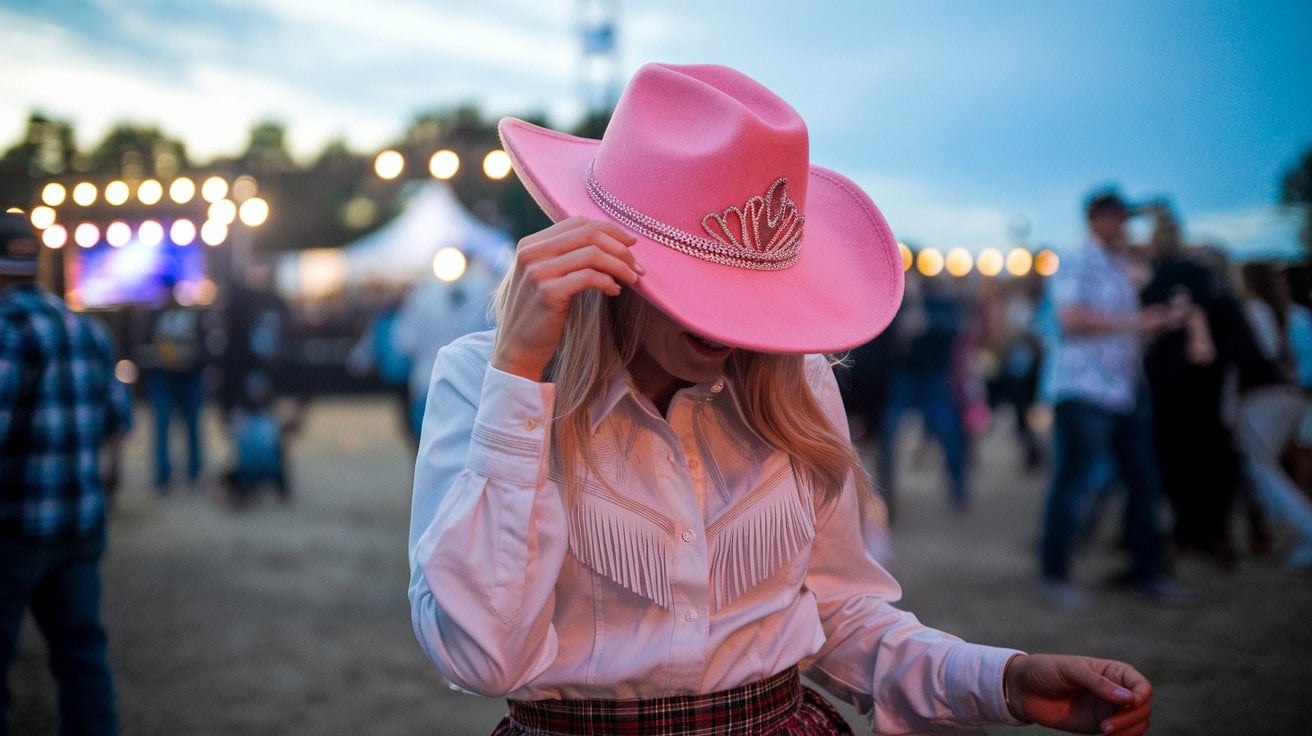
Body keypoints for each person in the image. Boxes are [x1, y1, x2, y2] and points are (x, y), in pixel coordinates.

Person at [408, 63, 1153, 736]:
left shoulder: (795, 384)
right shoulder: (488, 381)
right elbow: (481, 655)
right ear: (606, 253)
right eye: (699, 288)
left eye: (755, 293)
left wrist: (1004, 680)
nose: (733, 327)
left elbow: (838, 615)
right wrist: (520, 379)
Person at [0, 212, 132, 735]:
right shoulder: (86, 329)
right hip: (80, 523)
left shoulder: (8, 331)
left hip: (14, 529)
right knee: (82, 658)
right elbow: (118, 422)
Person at [1037, 188, 1190, 609]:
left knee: (1142, 479)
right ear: (1097, 219)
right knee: (1075, 481)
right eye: (1118, 217)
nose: (1124, 225)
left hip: (1124, 386)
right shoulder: (1076, 258)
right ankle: (1055, 573)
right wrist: (1139, 321)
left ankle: (1148, 572)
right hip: (1084, 387)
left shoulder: (1124, 263)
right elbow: (1071, 318)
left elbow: (1165, 239)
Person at [137, 278, 208, 493]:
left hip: (189, 378)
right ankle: (163, 477)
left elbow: (205, 349)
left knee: (193, 426)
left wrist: (189, 356)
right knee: (161, 426)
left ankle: (195, 474)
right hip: (163, 378)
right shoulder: (153, 317)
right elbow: (141, 349)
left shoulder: (193, 315)